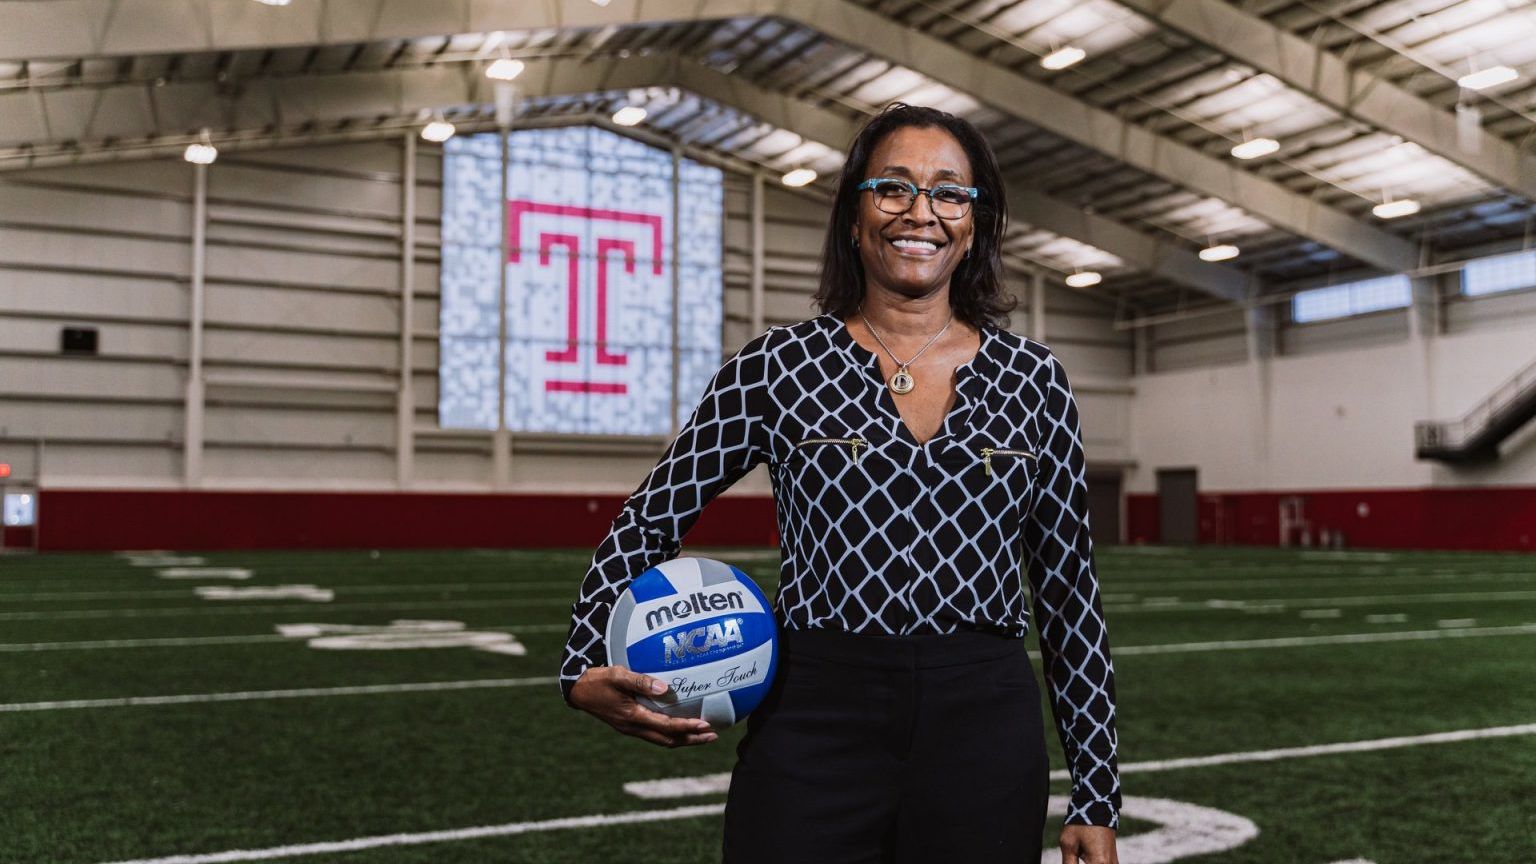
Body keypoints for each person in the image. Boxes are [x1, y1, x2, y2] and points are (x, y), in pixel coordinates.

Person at [560, 103, 1121, 864]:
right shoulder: (778, 368)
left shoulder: (1035, 382)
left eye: (950, 193)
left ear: (977, 224)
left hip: (983, 726)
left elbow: (1068, 592)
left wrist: (1096, 792)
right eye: (892, 187)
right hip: (814, 720)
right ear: (854, 215)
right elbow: (650, 518)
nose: (920, 211)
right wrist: (580, 662)